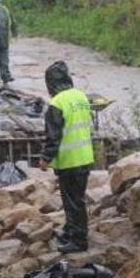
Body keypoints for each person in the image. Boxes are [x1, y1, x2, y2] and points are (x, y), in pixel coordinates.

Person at [39, 61, 94, 254]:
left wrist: (45, 158)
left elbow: (53, 136)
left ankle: (79, 240)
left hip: (70, 160)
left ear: (50, 84)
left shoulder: (57, 103)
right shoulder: (81, 96)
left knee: (73, 201)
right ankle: (71, 230)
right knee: (75, 198)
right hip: (86, 157)